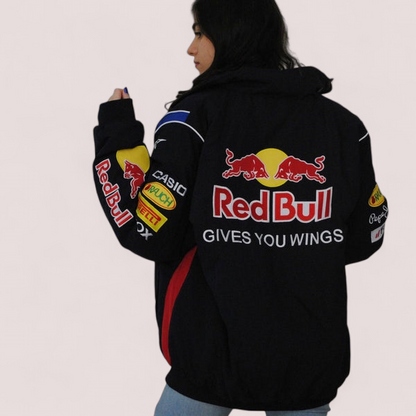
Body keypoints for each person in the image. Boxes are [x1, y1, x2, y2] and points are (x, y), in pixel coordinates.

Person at [92, 0, 388, 414]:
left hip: (209, 358)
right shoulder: (343, 125)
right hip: (309, 361)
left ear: (231, 35)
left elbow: (149, 231)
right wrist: (295, 243)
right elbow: (365, 235)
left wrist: (117, 134)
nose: (191, 49)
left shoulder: (193, 121)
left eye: (199, 33)